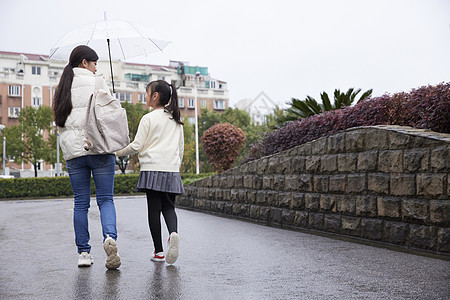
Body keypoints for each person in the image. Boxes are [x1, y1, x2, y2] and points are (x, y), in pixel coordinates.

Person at [52, 45, 121, 269]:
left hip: (74, 153)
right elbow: (110, 115)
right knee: (105, 200)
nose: (95, 68)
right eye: (94, 64)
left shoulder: (62, 87)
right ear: (84, 63)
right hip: (100, 148)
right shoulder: (98, 82)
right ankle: (109, 237)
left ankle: (83, 253)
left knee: (80, 203)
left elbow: (61, 123)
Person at [116, 80, 184, 265]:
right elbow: (180, 148)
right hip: (171, 169)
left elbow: (137, 146)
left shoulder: (148, 118)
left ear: (155, 96)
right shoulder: (176, 119)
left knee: (154, 211)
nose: (145, 97)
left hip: (152, 169)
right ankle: (173, 233)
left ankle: (159, 252)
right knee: (169, 208)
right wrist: (174, 166)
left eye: (147, 93)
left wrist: (117, 151)